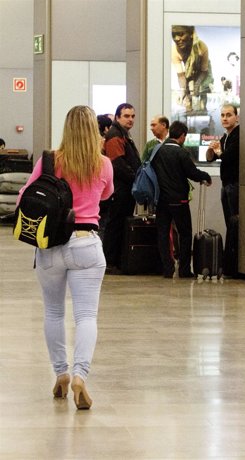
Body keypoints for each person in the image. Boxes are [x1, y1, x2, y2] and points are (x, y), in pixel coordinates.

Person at [16, 105, 114, 410]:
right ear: (95, 131)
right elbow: (107, 195)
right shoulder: (103, 164)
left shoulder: (50, 161)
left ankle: (60, 373)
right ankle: (80, 375)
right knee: (86, 316)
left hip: (50, 246)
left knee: (54, 313)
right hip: (86, 244)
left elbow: (24, 198)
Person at [152, 121, 211, 278]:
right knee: (185, 233)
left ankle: (167, 268)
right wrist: (206, 177)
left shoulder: (158, 151)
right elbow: (192, 173)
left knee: (163, 233)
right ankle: (184, 269)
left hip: (162, 199)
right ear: (183, 136)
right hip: (179, 199)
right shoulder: (181, 153)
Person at [102, 103, 141, 274]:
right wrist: (136, 178)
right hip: (119, 189)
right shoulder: (115, 135)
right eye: (126, 116)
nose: (130, 119)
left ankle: (116, 260)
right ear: (118, 117)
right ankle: (110, 262)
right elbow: (117, 163)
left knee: (119, 224)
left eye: (132, 116)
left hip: (124, 188)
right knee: (115, 225)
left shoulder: (124, 134)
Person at [206, 103, 239, 277]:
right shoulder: (225, 137)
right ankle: (229, 263)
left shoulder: (238, 135)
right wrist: (213, 150)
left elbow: (228, 158)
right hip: (226, 185)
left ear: (236, 117)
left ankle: (233, 265)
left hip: (235, 185)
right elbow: (212, 158)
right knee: (229, 223)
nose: (225, 118)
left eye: (229, 115)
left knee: (234, 225)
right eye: (223, 115)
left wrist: (218, 151)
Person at [171, 25, 213, 113]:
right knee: (186, 93)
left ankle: (203, 112)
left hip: (202, 70)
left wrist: (197, 85)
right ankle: (188, 114)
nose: (177, 38)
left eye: (181, 34)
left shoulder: (202, 47)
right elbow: (181, 75)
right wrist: (182, 90)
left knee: (201, 90)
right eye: (174, 35)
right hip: (188, 70)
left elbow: (204, 71)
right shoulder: (174, 50)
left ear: (190, 34)